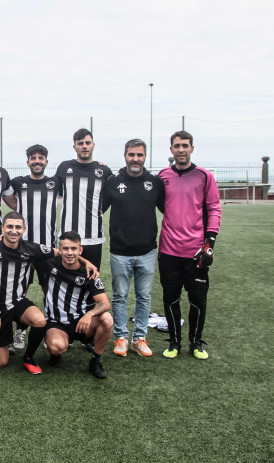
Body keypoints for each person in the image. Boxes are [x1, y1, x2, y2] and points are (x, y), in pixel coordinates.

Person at [0, 212, 96, 374]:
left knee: (40, 320)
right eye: (10, 227)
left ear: (24, 229)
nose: (14, 231)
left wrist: (86, 261)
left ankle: (28, 358)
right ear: (3, 228)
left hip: (18, 302)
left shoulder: (31, 248)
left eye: (18, 227)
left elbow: (62, 251)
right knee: (1, 362)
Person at [158, 131, 221, 359]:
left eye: (185, 145)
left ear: (192, 148)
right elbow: (161, 205)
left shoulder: (205, 176)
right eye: (177, 146)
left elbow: (214, 208)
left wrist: (209, 243)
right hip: (168, 252)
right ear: (171, 149)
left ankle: (196, 342)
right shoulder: (162, 176)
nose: (181, 150)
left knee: (197, 300)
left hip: (196, 253)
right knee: (171, 298)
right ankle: (174, 342)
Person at [102, 139, 164, 357]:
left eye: (139, 155)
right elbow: (98, 209)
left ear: (145, 157)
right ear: (125, 155)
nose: (135, 159)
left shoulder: (154, 182)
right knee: (119, 296)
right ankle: (120, 337)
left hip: (147, 252)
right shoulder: (112, 182)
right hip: (120, 252)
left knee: (144, 297)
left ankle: (139, 337)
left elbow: (168, 209)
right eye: (131, 154)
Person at [23, 231, 113, 379]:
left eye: (73, 249)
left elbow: (104, 303)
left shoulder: (89, 272)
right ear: (60, 249)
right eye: (65, 249)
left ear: (80, 250)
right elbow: (28, 251)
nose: (69, 252)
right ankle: (57, 353)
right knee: (56, 347)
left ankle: (95, 361)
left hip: (81, 322)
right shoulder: (50, 263)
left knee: (107, 319)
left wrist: (89, 314)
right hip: (56, 322)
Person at [7, 144, 62, 351]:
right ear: (28, 161)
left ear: (46, 161)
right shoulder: (19, 183)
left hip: (48, 248)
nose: (37, 161)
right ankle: (20, 330)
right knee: (21, 290)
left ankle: (52, 329)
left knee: (51, 290)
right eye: (33, 158)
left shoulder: (55, 182)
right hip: (24, 249)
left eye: (41, 158)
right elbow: (8, 199)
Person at [55, 129, 113, 269]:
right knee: (67, 279)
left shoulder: (104, 171)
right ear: (74, 147)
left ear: (93, 145)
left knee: (91, 278)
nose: (84, 146)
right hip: (68, 236)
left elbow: (109, 198)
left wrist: (96, 211)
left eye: (87, 143)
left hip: (93, 238)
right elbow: (54, 191)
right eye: (80, 143)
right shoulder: (64, 167)